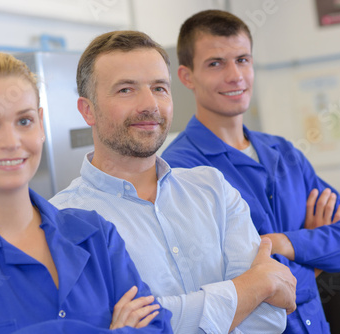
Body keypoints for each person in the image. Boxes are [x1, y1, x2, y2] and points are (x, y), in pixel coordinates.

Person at [0, 52, 173, 334]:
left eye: (24, 121)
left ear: (40, 124)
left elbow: (158, 326)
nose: (11, 142)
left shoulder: (96, 235)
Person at [50, 30, 297, 334]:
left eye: (159, 88)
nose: (149, 104)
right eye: (126, 90)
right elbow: (99, 328)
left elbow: (269, 318)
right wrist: (254, 285)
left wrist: (160, 318)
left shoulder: (213, 189)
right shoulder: (62, 222)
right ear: (88, 110)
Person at [161, 9, 340, 334]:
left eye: (243, 59)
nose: (235, 75)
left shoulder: (284, 153)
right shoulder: (182, 170)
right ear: (187, 77)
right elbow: (220, 291)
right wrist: (315, 258)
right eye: (216, 63)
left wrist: (284, 243)